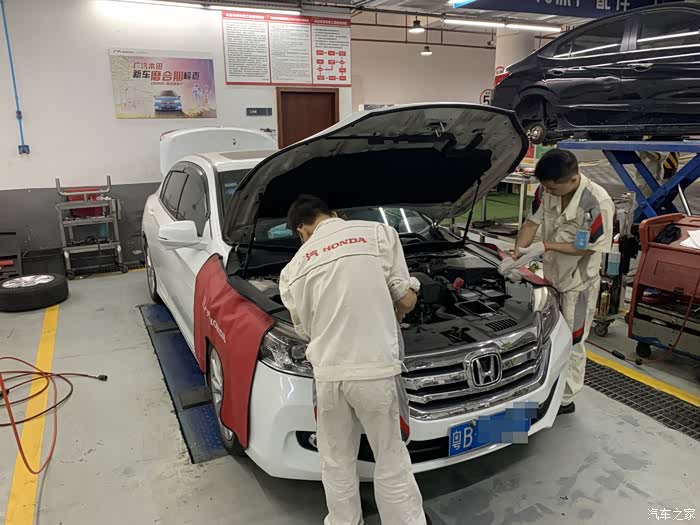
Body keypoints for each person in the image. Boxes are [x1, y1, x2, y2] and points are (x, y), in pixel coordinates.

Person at [279, 195, 429, 525]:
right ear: (334, 214)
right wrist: (411, 294)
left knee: (335, 460)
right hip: (375, 370)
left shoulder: (293, 269)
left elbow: (305, 329)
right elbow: (405, 301)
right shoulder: (378, 233)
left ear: (301, 230)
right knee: (389, 457)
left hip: (328, 374)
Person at [502, 150, 614, 415]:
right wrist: (517, 255)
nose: (548, 192)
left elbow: (589, 247)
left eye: (553, 187)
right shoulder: (545, 191)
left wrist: (545, 246)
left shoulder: (597, 203)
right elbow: (531, 223)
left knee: (573, 341)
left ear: (573, 179)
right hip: (551, 278)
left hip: (578, 284)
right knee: (548, 336)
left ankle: (566, 398)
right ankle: (543, 386)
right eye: (546, 187)